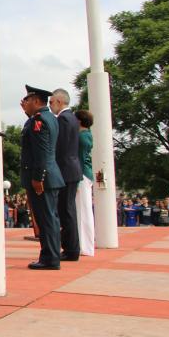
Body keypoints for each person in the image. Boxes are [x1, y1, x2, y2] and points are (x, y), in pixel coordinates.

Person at [21, 85, 65, 270]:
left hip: (42, 178)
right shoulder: (48, 118)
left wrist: (38, 178)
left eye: (28, 100)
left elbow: (40, 152)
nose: (25, 103)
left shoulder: (38, 121)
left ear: (37, 101)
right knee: (50, 218)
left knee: (46, 219)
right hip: (51, 175)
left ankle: (50, 258)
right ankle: (51, 255)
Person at [50, 89, 82, 261]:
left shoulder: (63, 119)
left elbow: (59, 147)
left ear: (59, 102)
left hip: (65, 170)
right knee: (68, 210)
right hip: (71, 169)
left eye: (51, 102)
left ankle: (70, 249)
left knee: (66, 211)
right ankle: (72, 247)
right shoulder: (72, 118)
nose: (50, 106)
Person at [74, 109, 95, 256]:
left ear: (79, 121)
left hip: (81, 175)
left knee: (83, 211)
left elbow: (79, 160)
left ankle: (86, 246)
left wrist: (76, 180)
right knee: (82, 211)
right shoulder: (85, 135)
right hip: (83, 175)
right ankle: (84, 245)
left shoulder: (82, 137)